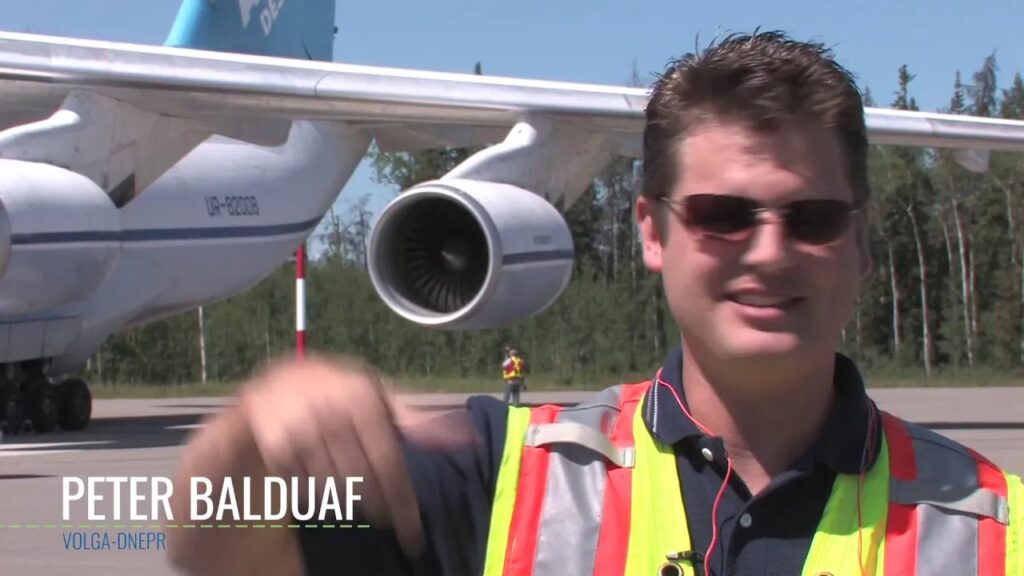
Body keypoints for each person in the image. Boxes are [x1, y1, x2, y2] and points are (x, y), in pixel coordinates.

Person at [166, 31, 1023, 576]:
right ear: (652, 232)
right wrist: (243, 448)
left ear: (862, 242)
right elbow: (215, 552)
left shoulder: (992, 528)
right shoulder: (510, 480)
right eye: (723, 215)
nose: (769, 250)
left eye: (813, 218)